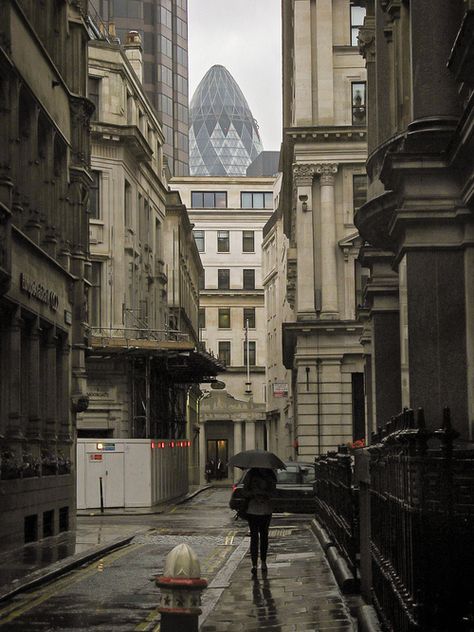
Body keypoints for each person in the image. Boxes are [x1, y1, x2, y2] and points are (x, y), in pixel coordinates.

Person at [243, 467, 277, 576]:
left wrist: (264, 494)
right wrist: (253, 494)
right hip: (253, 510)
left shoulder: (269, 474)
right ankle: (254, 564)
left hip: (266, 510)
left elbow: (273, 491)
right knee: (254, 537)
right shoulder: (251, 474)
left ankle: (263, 561)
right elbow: (244, 491)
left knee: (264, 536)